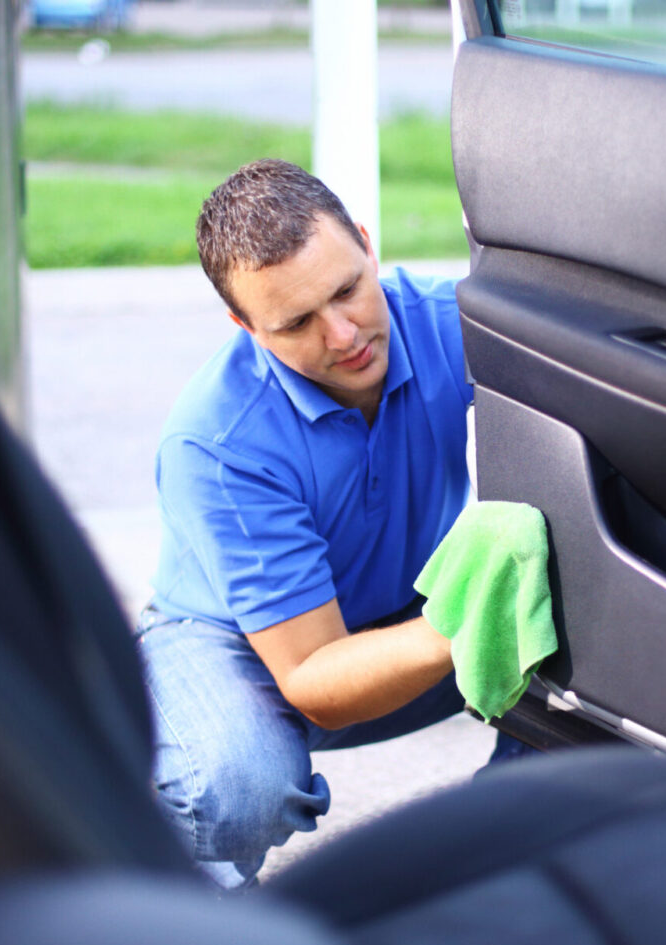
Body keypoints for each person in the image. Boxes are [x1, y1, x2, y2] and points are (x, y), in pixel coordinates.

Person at [135, 159, 519, 889]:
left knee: (586, 616)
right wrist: (474, 619)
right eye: (297, 322)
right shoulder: (218, 444)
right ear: (244, 326)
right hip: (242, 648)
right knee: (236, 787)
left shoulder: (451, 325)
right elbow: (314, 675)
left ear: (368, 246)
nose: (343, 335)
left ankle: (513, 838)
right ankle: (156, 847)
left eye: (347, 289)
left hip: (398, 610)